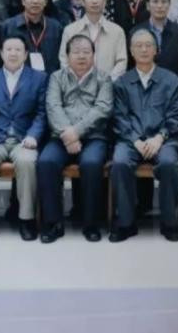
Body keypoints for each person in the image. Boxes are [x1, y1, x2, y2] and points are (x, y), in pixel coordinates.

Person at [111, 29, 178, 243]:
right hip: (130, 140)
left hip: (164, 139)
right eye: (138, 45)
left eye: (148, 45)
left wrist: (159, 137)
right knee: (120, 163)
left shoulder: (171, 80)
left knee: (169, 164)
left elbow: (176, 115)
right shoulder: (122, 82)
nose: (144, 49)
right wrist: (135, 140)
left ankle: (169, 223)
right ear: (131, 51)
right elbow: (119, 117)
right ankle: (126, 223)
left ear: (156, 50)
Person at [37, 35, 113, 243]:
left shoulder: (103, 78)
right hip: (60, 136)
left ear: (94, 55)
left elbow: (102, 109)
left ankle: (91, 224)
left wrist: (76, 132)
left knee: (91, 164)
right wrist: (68, 135)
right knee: (46, 162)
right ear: (67, 55)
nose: (81, 56)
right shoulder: (56, 77)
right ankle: (53, 223)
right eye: (76, 52)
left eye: (86, 52)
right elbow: (53, 107)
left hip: (94, 137)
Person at [0, 35, 49, 243]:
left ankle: (26, 219)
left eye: (18, 50)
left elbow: (42, 113)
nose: (13, 53)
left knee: (27, 161)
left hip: (24, 139)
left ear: (25, 54)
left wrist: (33, 135)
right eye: (8, 49)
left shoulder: (39, 78)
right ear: (1, 53)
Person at [59, 0, 128, 80]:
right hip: (77, 86)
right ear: (82, 2)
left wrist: (107, 82)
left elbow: (122, 62)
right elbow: (64, 60)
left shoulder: (117, 31)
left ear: (104, 1)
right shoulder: (70, 30)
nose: (94, 1)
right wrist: (78, 82)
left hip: (109, 85)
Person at [0, 0, 64, 74]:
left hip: (49, 79)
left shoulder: (56, 27)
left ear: (45, 2)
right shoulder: (8, 26)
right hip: (18, 79)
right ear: (23, 1)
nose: (35, 1)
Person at [131, 0, 178, 77]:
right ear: (148, 6)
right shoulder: (136, 32)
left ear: (169, 5)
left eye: (163, 2)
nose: (159, 6)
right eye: (155, 1)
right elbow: (131, 65)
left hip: (173, 84)